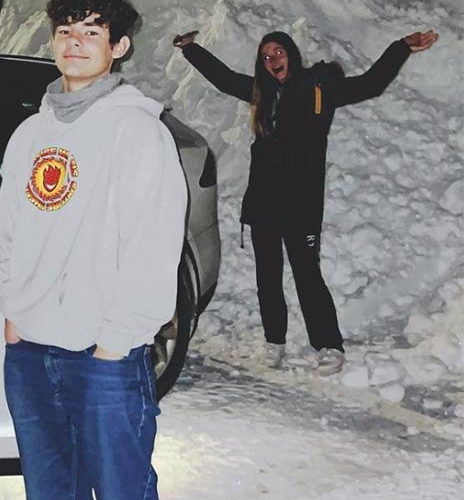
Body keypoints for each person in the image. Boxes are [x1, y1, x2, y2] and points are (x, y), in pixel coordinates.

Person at [0, 0, 187, 500]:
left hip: (103, 357)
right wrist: (14, 310)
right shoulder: (30, 134)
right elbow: (9, 226)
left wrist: (118, 342)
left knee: (124, 497)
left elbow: (153, 243)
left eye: (92, 31)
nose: (75, 42)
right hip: (31, 352)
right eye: (65, 31)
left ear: (118, 47)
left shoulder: (138, 132)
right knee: (52, 496)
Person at [172, 27, 438, 374]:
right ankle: (274, 341)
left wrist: (400, 48)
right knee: (267, 276)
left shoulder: (319, 89)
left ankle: (329, 345)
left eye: (278, 52)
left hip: (301, 205)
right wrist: (191, 50)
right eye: (266, 56)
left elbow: (371, 83)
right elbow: (223, 79)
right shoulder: (261, 93)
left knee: (307, 275)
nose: (272, 60)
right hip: (264, 204)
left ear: (291, 55)